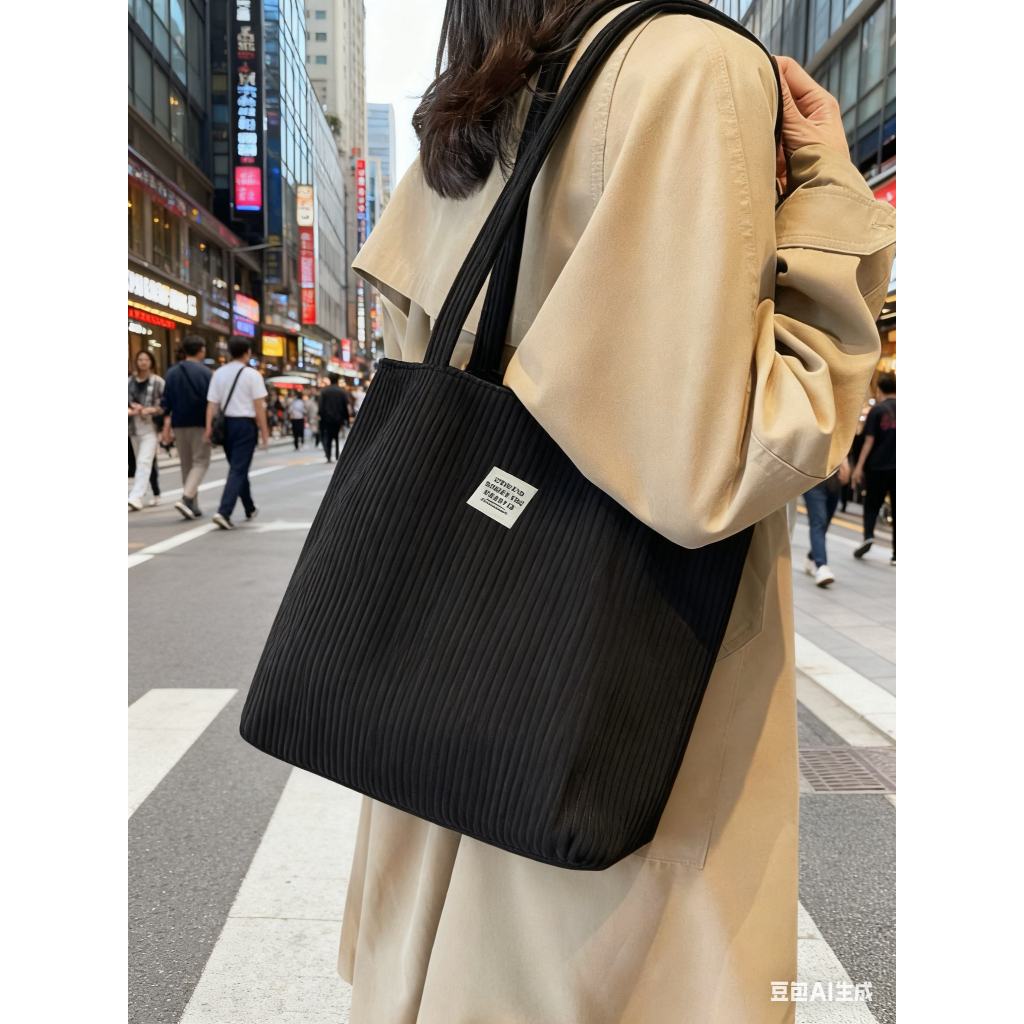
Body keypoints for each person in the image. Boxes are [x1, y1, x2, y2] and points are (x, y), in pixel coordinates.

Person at [332, 7, 895, 1023]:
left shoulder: (482, 94)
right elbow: (720, 464)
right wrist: (828, 195)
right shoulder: (691, 66)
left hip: (446, 707)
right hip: (615, 710)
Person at [204, 337, 269, 530]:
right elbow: (259, 407)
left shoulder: (219, 373)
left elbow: (212, 404)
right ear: (247, 352)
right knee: (238, 469)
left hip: (225, 426)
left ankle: (249, 507)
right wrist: (264, 432)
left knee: (237, 467)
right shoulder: (252, 375)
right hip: (245, 425)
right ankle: (224, 512)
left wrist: (208, 428)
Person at [160, 335, 213, 519]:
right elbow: (211, 401)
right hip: (200, 422)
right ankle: (187, 499)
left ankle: (193, 505)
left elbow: (166, 402)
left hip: (179, 423)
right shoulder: (206, 373)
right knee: (201, 462)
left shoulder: (172, 372)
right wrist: (210, 425)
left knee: (187, 464)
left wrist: (166, 427)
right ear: (201, 350)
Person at [852, 372, 896, 565]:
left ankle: (868, 536)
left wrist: (858, 467)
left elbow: (869, 441)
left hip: (878, 466)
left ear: (879, 389)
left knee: (871, 504)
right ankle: (896, 554)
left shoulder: (877, 410)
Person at [127, 350, 165, 511]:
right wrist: (131, 411)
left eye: (146, 359)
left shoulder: (158, 382)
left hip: (151, 428)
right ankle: (156, 492)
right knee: (144, 462)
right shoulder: (128, 382)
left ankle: (135, 497)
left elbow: (165, 405)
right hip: (132, 428)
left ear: (151, 362)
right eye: (140, 359)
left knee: (144, 461)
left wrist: (150, 410)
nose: (143, 362)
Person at [802, 462, 850, 587]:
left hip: (834, 476)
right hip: (812, 474)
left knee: (825, 522)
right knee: (819, 521)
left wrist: (845, 463)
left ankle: (812, 556)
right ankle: (821, 566)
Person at [317, 372, 349, 463]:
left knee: (328, 436)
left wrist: (321, 416)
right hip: (338, 418)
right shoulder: (341, 391)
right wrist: (346, 418)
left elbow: (321, 406)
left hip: (327, 418)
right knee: (336, 435)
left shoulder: (324, 391)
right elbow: (345, 406)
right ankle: (337, 455)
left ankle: (328, 455)